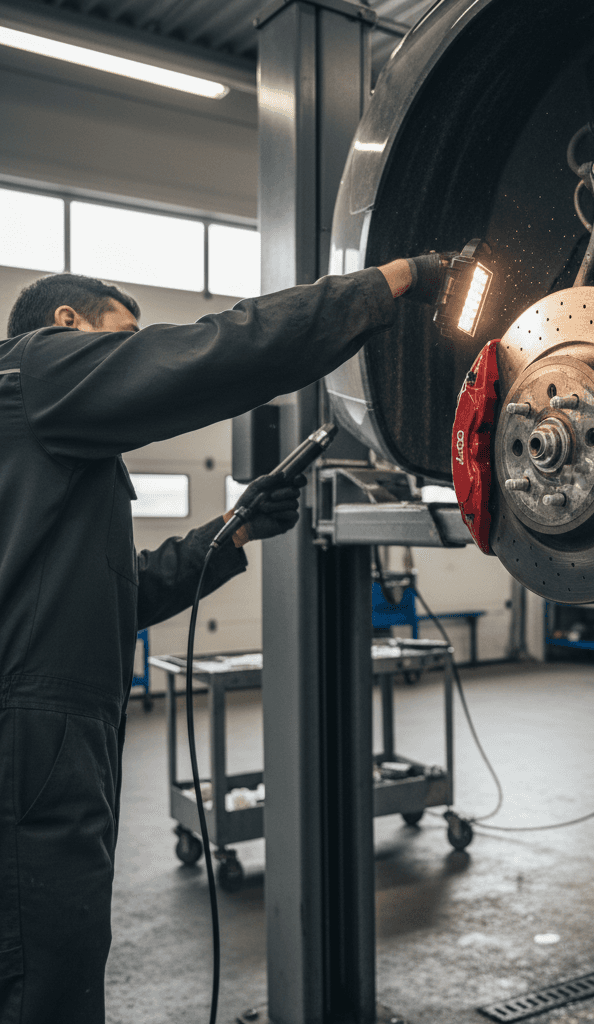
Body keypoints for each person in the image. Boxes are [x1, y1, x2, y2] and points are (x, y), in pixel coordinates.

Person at [0, 254, 450, 1024]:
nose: (135, 357)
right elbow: (216, 351)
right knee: (45, 973)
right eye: (125, 339)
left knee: (56, 958)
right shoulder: (37, 371)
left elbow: (116, 595)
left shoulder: (52, 452)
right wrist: (386, 284)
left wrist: (232, 530)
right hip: (32, 736)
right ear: (66, 325)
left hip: (53, 733)